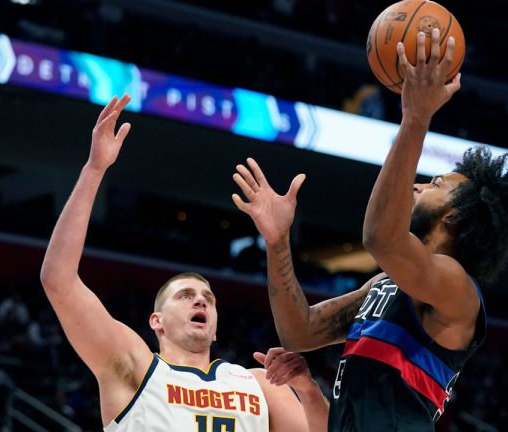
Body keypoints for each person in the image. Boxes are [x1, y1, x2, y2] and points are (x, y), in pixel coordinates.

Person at [232, 29, 508, 431]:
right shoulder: (384, 286)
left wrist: (416, 118)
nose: (419, 186)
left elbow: (380, 237)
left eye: (436, 185)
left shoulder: (457, 292)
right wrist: (278, 241)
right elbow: (299, 332)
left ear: (455, 218)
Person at [40, 95, 328, 431]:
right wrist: (94, 169)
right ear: (156, 321)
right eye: (185, 295)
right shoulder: (135, 366)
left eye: (208, 298)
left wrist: (308, 390)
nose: (200, 299)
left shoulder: (261, 384)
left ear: (216, 327)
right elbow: (58, 279)